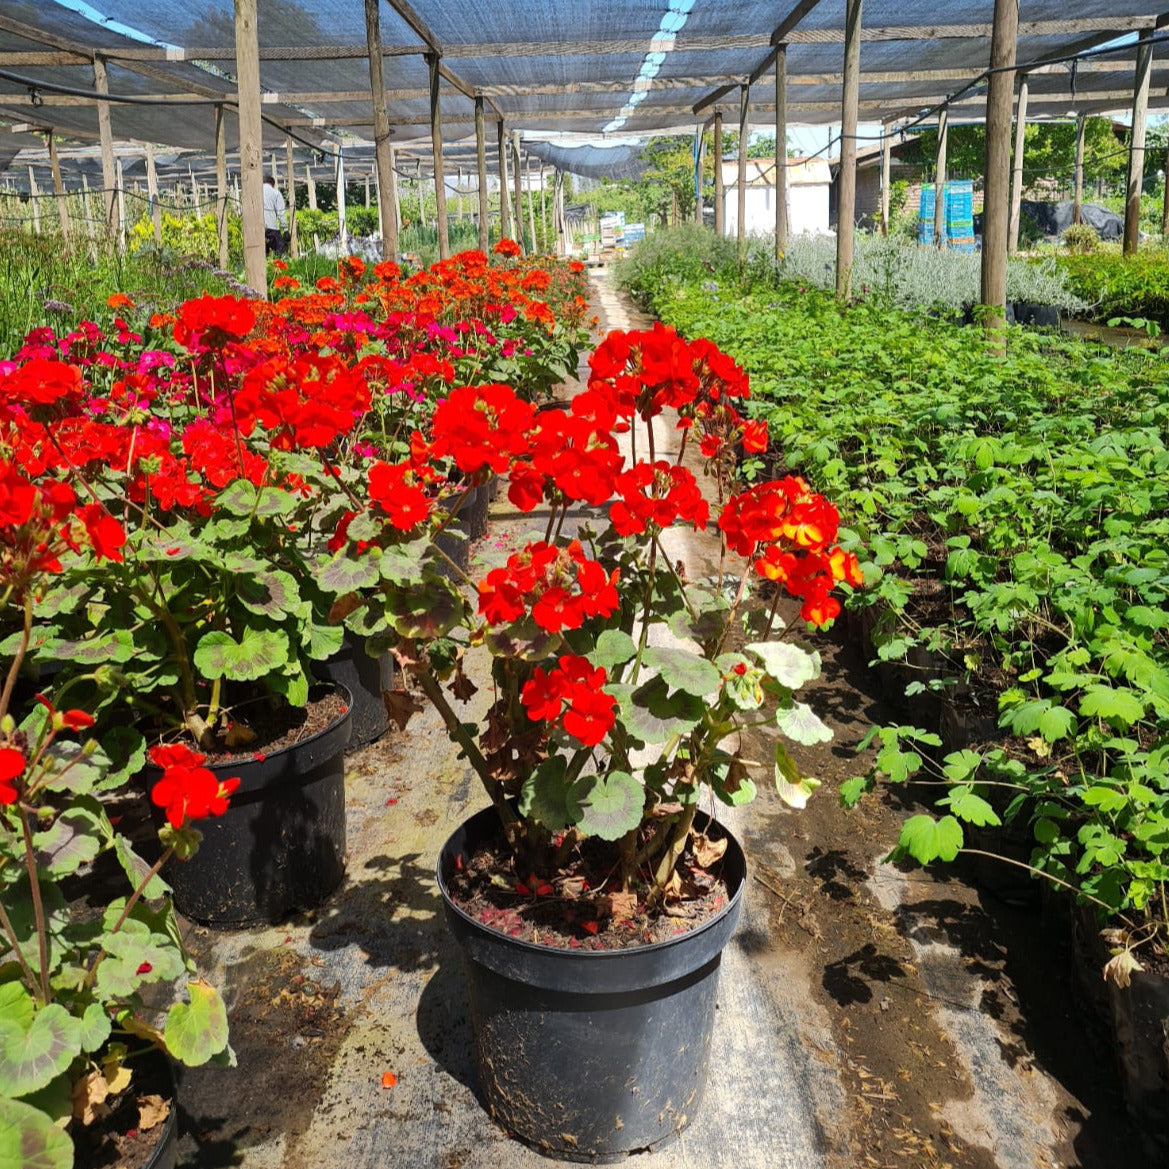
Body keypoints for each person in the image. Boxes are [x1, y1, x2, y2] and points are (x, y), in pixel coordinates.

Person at [263, 175, 287, 254]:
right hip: (271, 228)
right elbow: (281, 212)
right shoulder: (275, 193)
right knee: (281, 252)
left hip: (256, 229)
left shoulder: (254, 193)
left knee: (262, 254)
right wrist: (285, 229)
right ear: (273, 184)